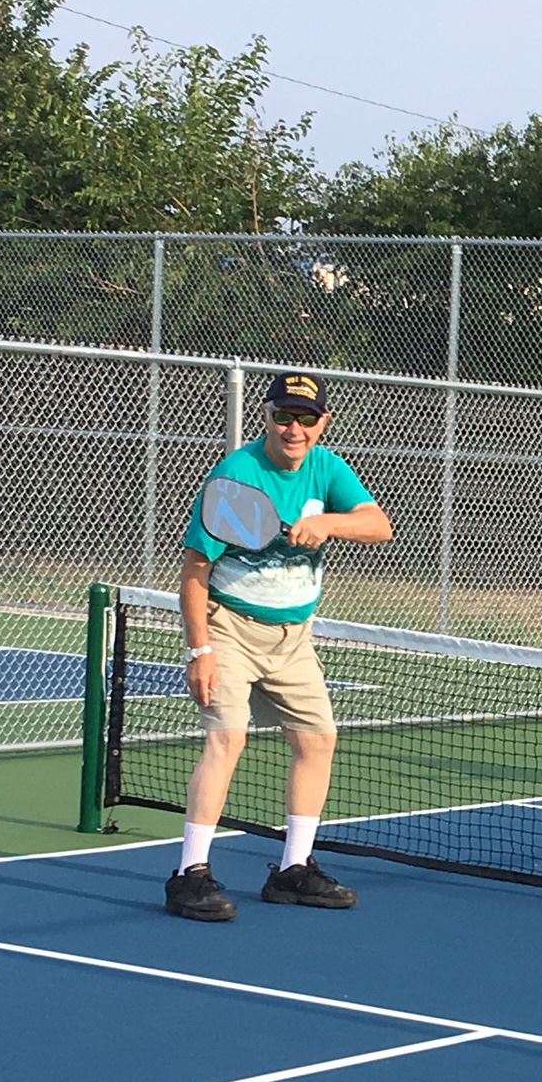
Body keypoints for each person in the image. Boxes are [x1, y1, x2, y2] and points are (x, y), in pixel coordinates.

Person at [164, 372, 395, 921]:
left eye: (306, 418)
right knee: (228, 741)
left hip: (294, 639)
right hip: (230, 627)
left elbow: (379, 525)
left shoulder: (327, 467)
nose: (295, 428)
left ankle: (293, 870)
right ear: (266, 417)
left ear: (323, 423)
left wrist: (327, 524)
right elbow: (195, 570)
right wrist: (201, 651)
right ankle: (189, 875)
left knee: (318, 740)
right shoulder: (238, 475)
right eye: (284, 416)